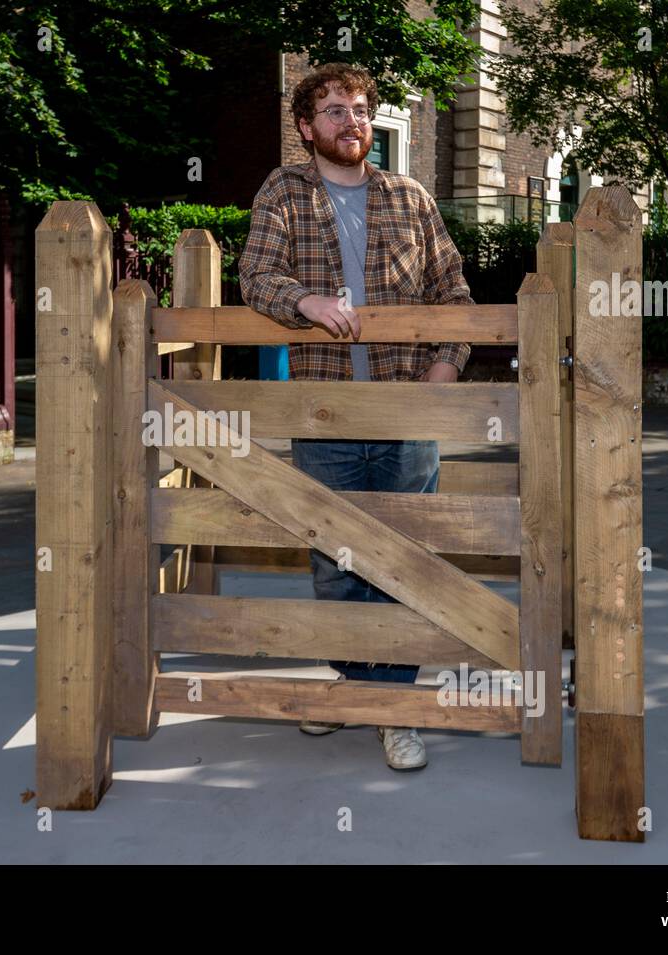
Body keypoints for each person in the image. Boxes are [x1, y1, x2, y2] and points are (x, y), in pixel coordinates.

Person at [238, 62, 475, 771]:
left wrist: (446, 365)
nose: (354, 121)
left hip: (406, 407)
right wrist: (304, 301)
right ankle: (361, 683)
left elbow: (455, 292)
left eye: (363, 109)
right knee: (336, 561)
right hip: (326, 410)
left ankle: (390, 708)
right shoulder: (284, 190)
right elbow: (255, 275)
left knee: (405, 559)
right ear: (306, 126)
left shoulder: (411, 197)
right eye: (336, 110)